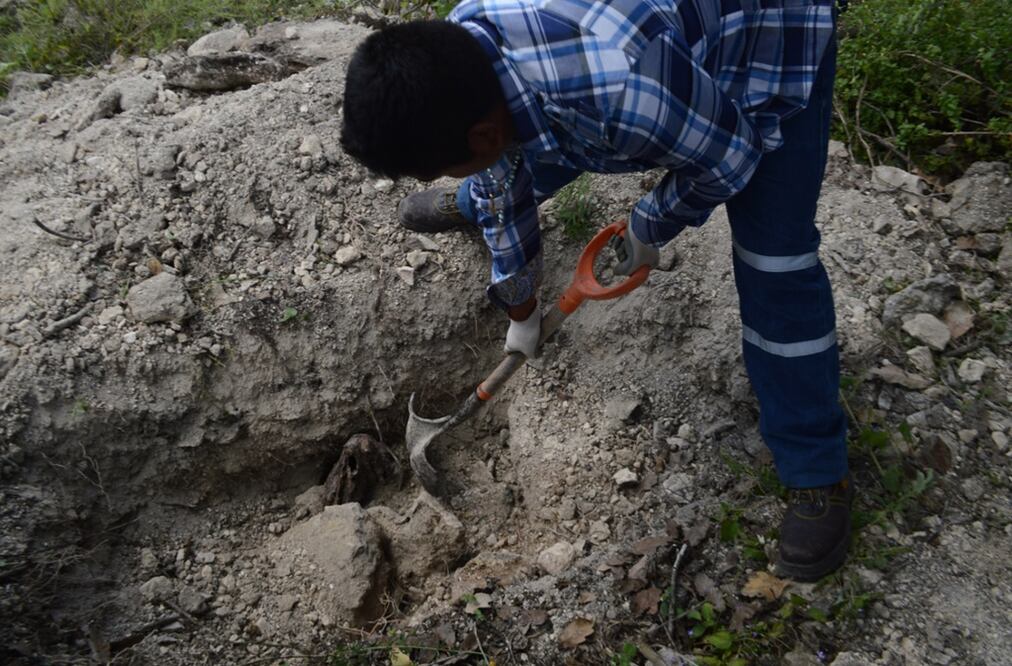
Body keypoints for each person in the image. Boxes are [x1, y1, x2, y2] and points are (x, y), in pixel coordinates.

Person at [340, 0, 852, 581]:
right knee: (522, 165)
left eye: (441, 168)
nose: (443, 170)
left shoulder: (620, 88)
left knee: (775, 261)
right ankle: (474, 204)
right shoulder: (464, 47)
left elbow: (732, 157)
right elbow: (503, 163)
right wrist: (522, 304)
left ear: (481, 134)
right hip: (633, 70)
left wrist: (651, 223)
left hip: (765, 38)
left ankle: (816, 469)